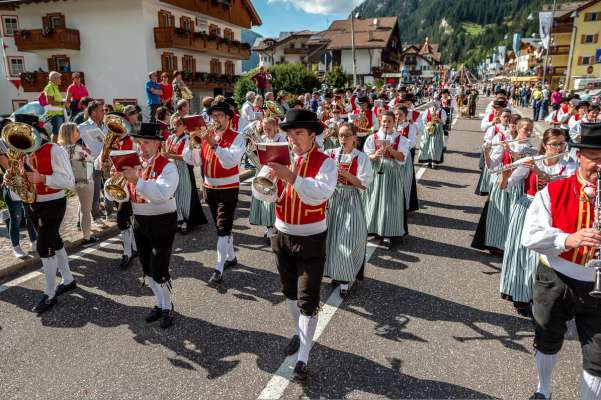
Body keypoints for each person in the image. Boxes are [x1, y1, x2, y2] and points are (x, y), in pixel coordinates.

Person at [522, 122, 601, 400]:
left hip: (596, 285)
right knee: (547, 339)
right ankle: (543, 390)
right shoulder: (553, 192)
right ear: (579, 157)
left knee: (598, 357)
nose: (599, 166)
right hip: (555, 278)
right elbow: (530, 236)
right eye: (595, 158)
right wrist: (568, 240)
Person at [267, 108, 337, 381]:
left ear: (312, 136)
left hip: (311, 237)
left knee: (308, 299)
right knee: (289, 293)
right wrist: (270, 185)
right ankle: (299, 334)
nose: (293, 139)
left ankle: (303, 357)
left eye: (298, 133)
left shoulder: (326, 162)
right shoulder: (279, 158)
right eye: (290, 134)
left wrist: (291, 177)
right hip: (282, 233)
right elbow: (263, 195)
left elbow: (319, 194)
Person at [499, 128, 574, 317]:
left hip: (553, 213)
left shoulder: (569, 165)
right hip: (527, 209)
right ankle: (521, 295)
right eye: (554, 144)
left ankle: (541, 297)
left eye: (562, 144)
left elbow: (558, 183)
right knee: (521, 253)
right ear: (545, 145)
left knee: (542, 258)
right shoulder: (531, 162)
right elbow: (506, 187)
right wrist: (505, 175)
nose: (558, 148)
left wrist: (537, 169)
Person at [120, 123, 178, 329]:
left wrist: (136, 180)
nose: (141, 147)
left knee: (158, 267)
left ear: (157, 144)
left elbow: (161, 195)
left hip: (162, 220)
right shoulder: (136, 164)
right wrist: (119, 184)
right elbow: (128, 194)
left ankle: (168, 305)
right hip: (140, 219)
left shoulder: (168, 166)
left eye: (146, 142)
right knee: (146, 267)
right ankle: (159, 303)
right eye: (139, 142)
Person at [183, 102, 245, 285]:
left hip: (228, 187)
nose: (215, 119)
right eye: (213, 116)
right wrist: (191, 143)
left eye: (219, 116)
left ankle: (218, 268)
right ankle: (231, 256)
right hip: (209, 187)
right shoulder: (206, 136)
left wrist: (214, 144)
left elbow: (231, 161)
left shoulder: (237, 137)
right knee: (221, 227)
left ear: (228, 118)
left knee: (222, 227)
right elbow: (193, 161)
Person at [19, 117, 76, 314]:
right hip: (33, 201)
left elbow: (69, 181)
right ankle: (68, 279)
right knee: (54, 239)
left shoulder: (54, 150)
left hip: (53, 202)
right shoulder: (24, 151)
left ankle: (49, 293)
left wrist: (44, 178)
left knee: (44, 246)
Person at [324, 123, 373, 297]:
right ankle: (336, 272)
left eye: (346, 136)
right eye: (340, 136)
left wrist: (345, 174)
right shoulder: (331, 154)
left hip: (351, 198)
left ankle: (344, 280)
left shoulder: (361, 157)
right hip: (333, 197)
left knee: (347, 238)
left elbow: (363, 184)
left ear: (355, 138)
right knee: (331, 237)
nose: (343, 139)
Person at [473, 117, 534, 254]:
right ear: (518, 129)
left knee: (512, 217)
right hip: (501, 183)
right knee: (499, 215)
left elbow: (523, 162)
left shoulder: (532, 148)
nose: (529, 132)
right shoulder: (505, 143)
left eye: (531, 129)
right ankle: (495, 245)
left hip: (518, 187)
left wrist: (511, 152)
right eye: (526, 129)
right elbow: (492, 165)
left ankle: (509, 247)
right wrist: (486, 152)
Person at [364, 111, 410, 249]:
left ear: (393, 122)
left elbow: (402, 158)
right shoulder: (373, 137)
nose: (386, 124)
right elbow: (367, 156)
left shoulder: (400, 138)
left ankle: (389, 233)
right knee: (374, 201)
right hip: (376, 172)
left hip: (392, 174)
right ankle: (374, 230)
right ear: (380, 122)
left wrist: (390, 149)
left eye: (389, 121)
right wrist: (375, 155)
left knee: (389, 204)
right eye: (384, 121)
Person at [0, 117, 38, 258]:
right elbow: (6, 166)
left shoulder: (20, 144)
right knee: (15, 218)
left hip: (25, 183)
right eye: (10, 128)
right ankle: (16, 246)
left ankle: (34, 241)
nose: (14, 131)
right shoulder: (1, 144)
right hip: (12, 185)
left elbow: (29, 162)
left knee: (30, 215)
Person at [57, 122, 98, 246]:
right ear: (70, 133)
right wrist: (88, 152)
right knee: (86, 210)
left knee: (82, 206)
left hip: (74, 182)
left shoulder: (62, 149)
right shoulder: (76, 148)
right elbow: (92, 160)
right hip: (85, 180)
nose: (79, 132)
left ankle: (82, 227)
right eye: (76, 130)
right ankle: (86, 237)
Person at [163, 115, 206, 233]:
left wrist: (170, 156)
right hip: (172, 169)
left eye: (178, 124)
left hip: (184, 169)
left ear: (184, 126)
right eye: (174, 124)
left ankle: (186, 220)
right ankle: (178, 218)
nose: (175, 127)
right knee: (175, 195)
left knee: (185, 195)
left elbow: (186, 157)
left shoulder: (188, 138)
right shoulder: (170, 138)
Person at [249, 117, 286, 243]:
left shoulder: (282, 139)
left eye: (269, 129)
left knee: (275, 201)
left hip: (277, 174)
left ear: (276, 127)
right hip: (264, 173)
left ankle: (277, 227)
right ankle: (269, 227)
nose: (266, 132)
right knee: (265, 202)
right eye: (264, 129)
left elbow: (285, 157)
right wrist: (254, 150)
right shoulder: (263, 139)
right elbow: (254, 160)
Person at [78, 101, 110, 223]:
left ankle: (109, 212)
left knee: (108, 189)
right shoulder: (83, 127)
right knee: (95, 192)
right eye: (102, 110)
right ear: (94, 113)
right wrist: (81, 149)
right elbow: (70, 141)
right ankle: (95, 216)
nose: (105, 112)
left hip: (106, 162)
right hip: (92, 163)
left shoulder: (107, 126)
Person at [394, 106, 419, 211]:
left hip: (405, 157)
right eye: (396, 114)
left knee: (405, 181)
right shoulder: (392, 126)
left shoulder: (410, 126)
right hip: (392, 157)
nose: (398, 116)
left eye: (400, 114)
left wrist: (399, 140)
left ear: (405, 115)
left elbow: (412, 143)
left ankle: (405, 206)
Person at [418, 99, 447, 168]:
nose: (435, 103)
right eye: (434, 101)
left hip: (437, 129)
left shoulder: (442, 111)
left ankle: (434, 161)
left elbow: (444, 122)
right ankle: (427, 160)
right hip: (428, 129)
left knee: (435, 145)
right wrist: (426, 126)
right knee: (426, 144)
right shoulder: (428, 110)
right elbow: (423, 120)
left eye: (437, 101)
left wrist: (438, 119)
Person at [44, 71, 66, 142]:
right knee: (56, 133)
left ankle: (56, 147)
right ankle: (54, 148)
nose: (60, 80)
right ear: (55, 79)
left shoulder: (54, 87)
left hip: (59, 113)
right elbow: (49, 101)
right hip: (55, 114)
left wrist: (62, 102)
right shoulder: (50, 87)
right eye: (59, 78)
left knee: (58, 133)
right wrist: (62, 102)